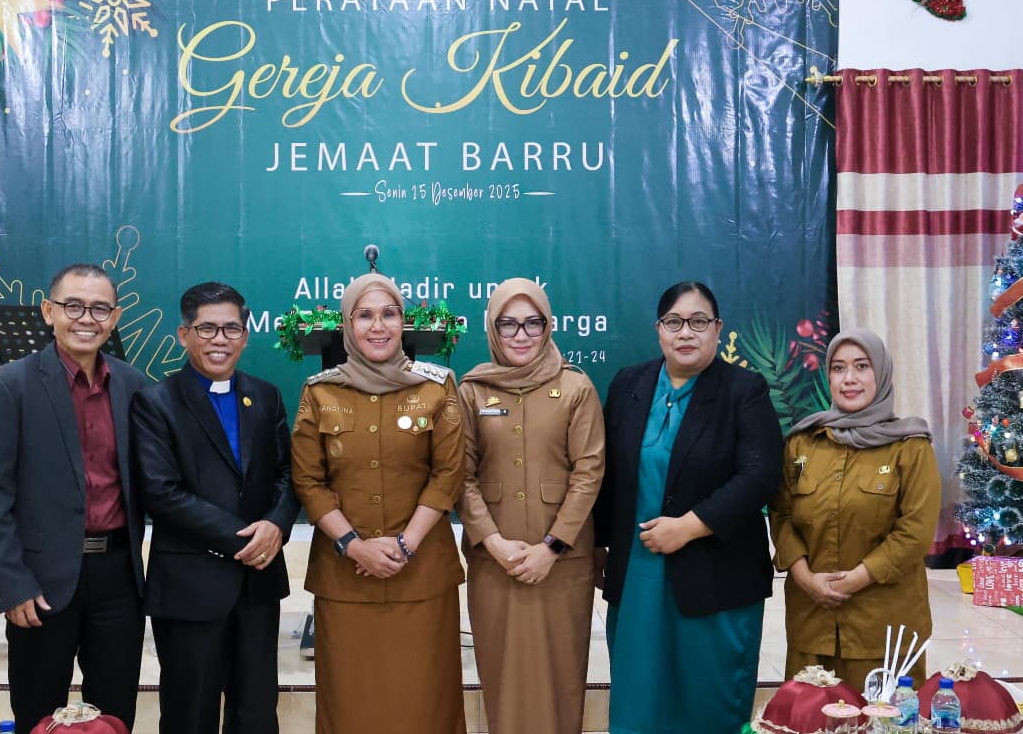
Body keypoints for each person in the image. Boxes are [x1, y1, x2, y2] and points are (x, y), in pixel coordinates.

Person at [594, 280, 782, 734]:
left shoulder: (744, 390)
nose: (685, 332)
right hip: (639, 572)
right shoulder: (628, 384)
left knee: (707, 699)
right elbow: (606, 473)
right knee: (640, 695)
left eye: (698, 322)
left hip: (714, 570)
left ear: (718, 329)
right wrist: (598, 547)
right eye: (674, 322)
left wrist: (690, 527)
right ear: (658, 329)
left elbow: (759, 474)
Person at [0, 263, 147, 732]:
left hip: (118, 577)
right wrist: (13, 582)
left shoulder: (134, 386)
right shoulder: (9, 386)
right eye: (73, 306)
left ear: (115, 317)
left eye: (100, 309)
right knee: (38, 713)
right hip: (40, 581)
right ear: (48, 312)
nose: (86, 318)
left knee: (115, 714)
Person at [290, 273, 467, 734]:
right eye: (364, 315)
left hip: (422, 574)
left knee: (425, 701)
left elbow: (448, 474)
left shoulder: (437, 387)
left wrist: (404, 545)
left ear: (403, 322)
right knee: (352, 702)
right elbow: (308, 480)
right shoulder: (320, 391)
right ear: (348, 324)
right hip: (345, 578)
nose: (378, 326)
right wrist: (353, 545)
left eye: (389, 314)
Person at [131, 282, 299, 734]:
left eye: (231, 329)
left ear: (245, 336)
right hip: (190, 585)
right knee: (190, 716)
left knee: (256, 713)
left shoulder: (266, 395)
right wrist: (246, 539)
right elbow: (160, 491)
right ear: (184, 335)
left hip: (258, 585)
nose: (220, 340)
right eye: (207, 329)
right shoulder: (155, 402)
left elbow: (287, 473)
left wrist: (276, 525)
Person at [455, 278, 604, 734]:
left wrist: (551, 547)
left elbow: (589, 471)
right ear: (492, 329)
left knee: (561, 673)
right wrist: (494, 543)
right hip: (494, 563)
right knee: (502, 672)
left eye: (532, 323)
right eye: (508, 324)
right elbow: (460, 475)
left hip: (562, 564)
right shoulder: (472, 390)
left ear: (548, 326)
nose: (521, 335)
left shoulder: (576, 387)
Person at [769, 328, 940, 689]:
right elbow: (781, 516)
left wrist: (858, 577)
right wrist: (804, 578)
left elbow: (916, 531)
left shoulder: (910, 447)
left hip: (882, 627)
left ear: (881, 372)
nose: (849, 378)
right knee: (808, 713)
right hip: (811, 620)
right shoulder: (802, 443)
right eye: (838, 368)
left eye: (862, 366)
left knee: (882, 716)